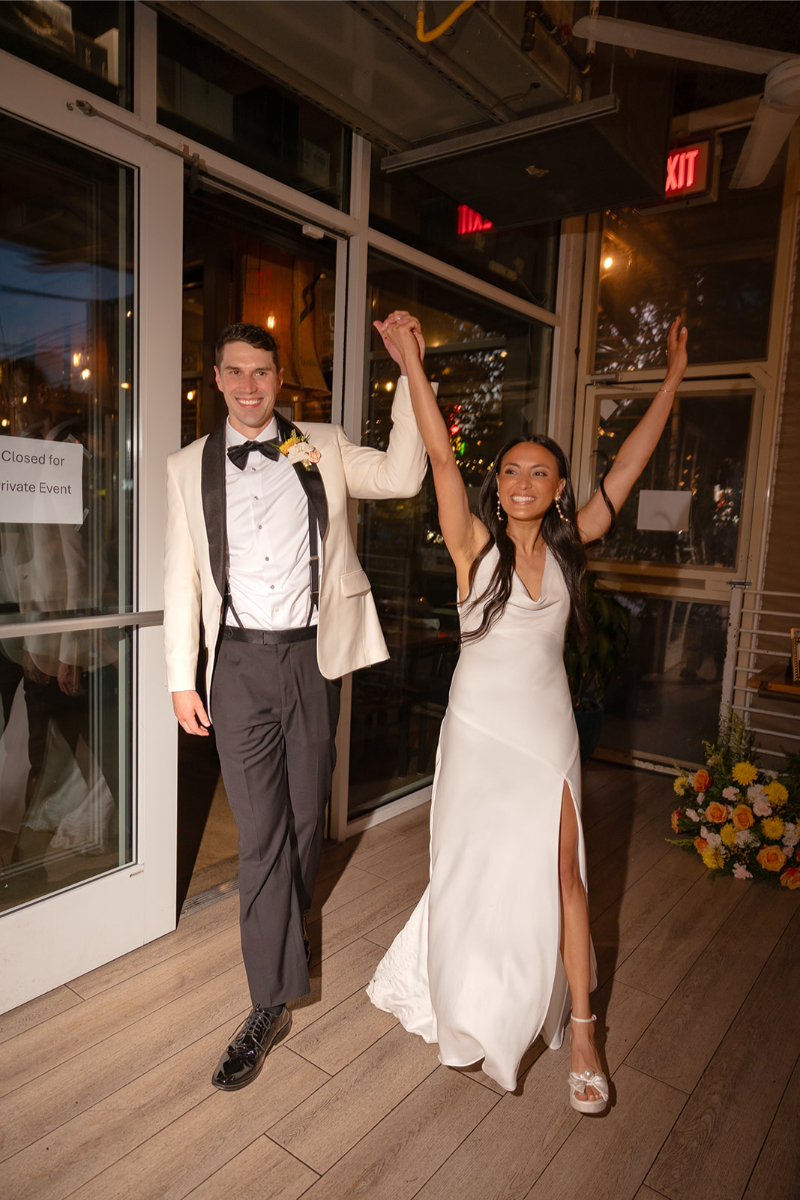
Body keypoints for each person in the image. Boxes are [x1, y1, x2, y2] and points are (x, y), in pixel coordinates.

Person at [367, 310, 688, 1108]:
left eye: (539, 472)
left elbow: (630, 466)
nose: (521, 482)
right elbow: (441, 453)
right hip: (477, 732)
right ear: (497, 483)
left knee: (565, 879)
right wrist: (411, 359)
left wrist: (673, 381)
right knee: (468, 869)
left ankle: (583, 1028)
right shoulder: (473, 544)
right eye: (511, 470)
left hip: (546, 736)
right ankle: (468, 989)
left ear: (558, 487)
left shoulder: (575, 544)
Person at [164, 321, 427, 1091]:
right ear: (216, 377)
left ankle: (283, 933)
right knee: (259, 835)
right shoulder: (188, 467)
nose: (249, 386)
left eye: (262, 373)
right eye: (234, 372)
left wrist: (409, 368)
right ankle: (265, 1003)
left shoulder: (323, 443)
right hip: (238, 661)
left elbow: (408, 476)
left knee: (307, 818)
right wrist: (183, 675)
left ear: (281, 379)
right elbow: (182, 575)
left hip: (316, 656)